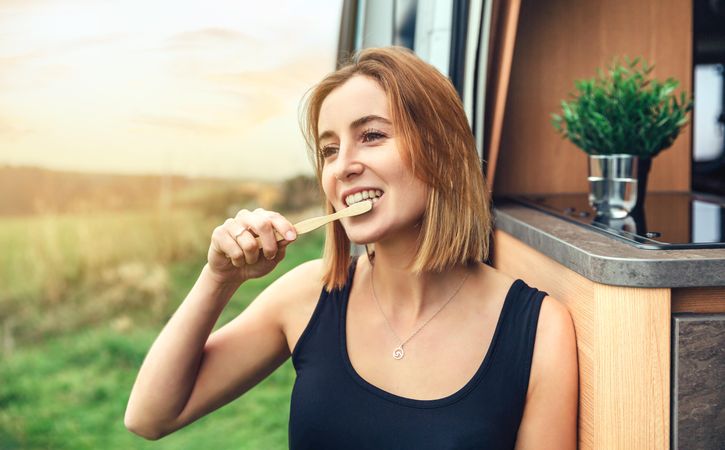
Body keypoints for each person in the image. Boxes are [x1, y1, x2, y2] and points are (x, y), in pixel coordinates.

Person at [124, 46, 578, 449]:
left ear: (441, 150)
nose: (342, 167)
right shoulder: (308, 296)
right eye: (328, 150)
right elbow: (151, 415)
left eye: (372, 136)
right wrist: (219, 278)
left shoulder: (539, 331)